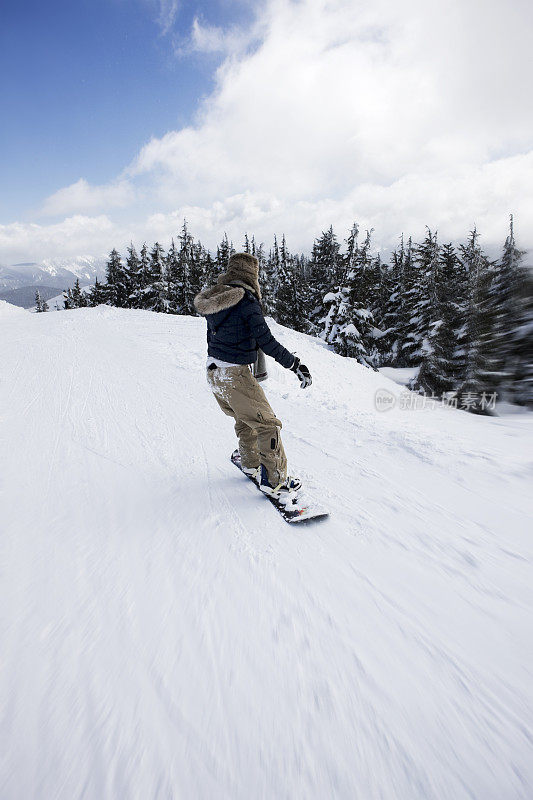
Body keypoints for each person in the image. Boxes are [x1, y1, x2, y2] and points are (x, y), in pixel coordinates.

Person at [194, 252, 312, 498]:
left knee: (245, 418)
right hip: (235, 375)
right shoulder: (247, 301)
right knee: (268, 425)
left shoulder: (217, 299)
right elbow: (266, 341)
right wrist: (295, 365)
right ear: (251, 275)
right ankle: (275, 481)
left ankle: (249, 463)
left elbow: (213, 338)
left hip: (214, 373)